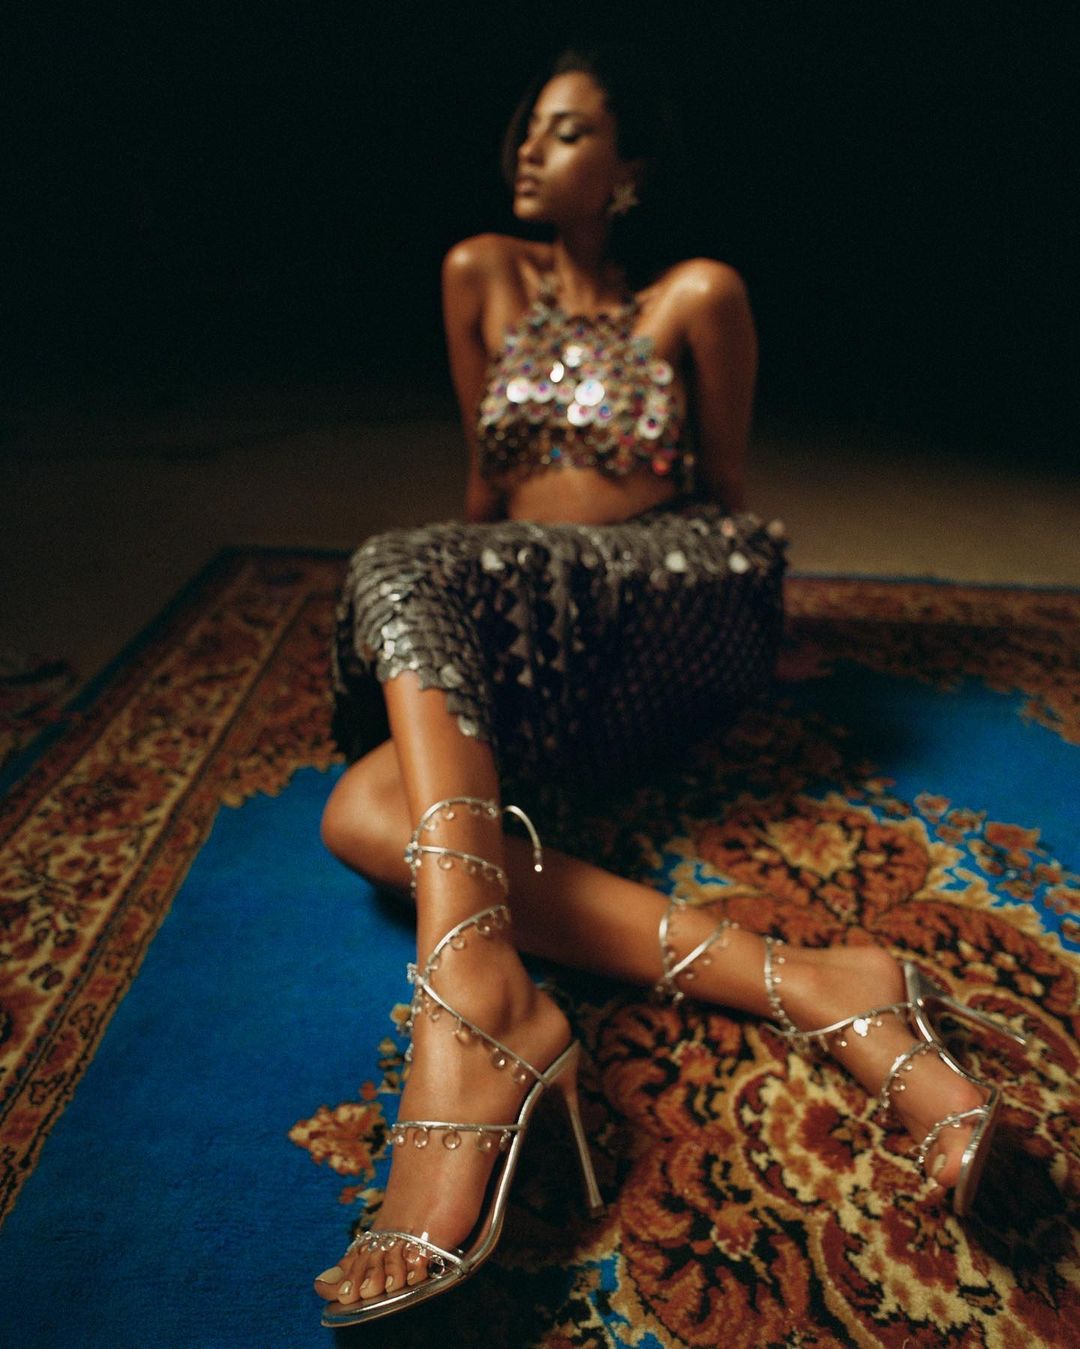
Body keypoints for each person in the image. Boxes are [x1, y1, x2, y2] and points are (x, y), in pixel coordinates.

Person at [313, 48, 1015, 1329]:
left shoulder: (696, 293)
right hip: (534, 605)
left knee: (392, 566)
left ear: (628, 169)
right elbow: (483, 493)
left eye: (568, 131)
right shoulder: (478, 273)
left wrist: (759, 640)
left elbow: (724, 493)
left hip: (666, 589)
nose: (531, 149)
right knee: (363, 811)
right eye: (529, 128)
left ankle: (475, 1003)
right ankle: (825, 985)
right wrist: (466, 635)